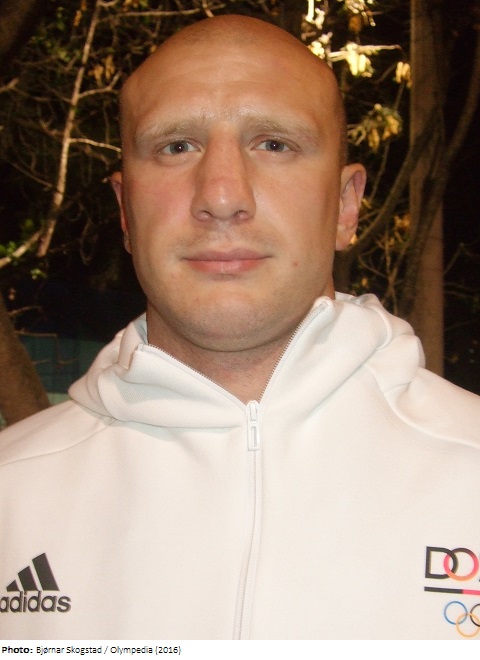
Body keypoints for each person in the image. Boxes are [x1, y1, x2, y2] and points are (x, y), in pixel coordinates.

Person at [1, 14, 480, 641]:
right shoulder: (13, 495)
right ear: (124, 209)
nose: (222, 195)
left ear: (345, 205)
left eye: (274, 144)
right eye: (176, 146)